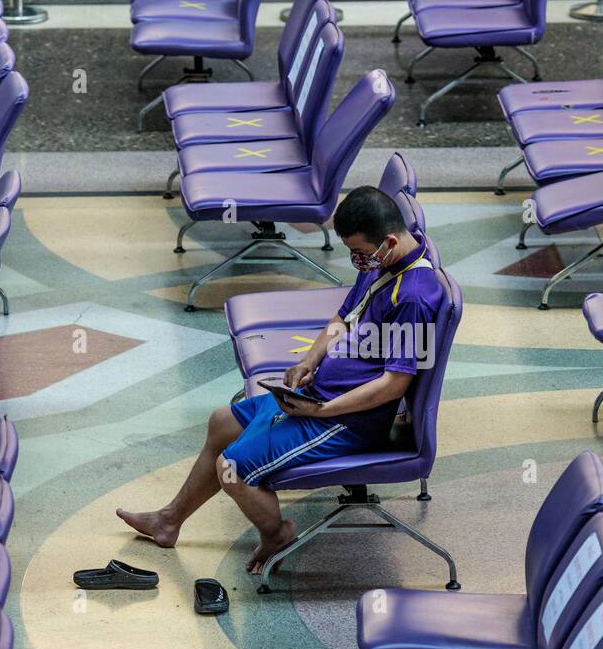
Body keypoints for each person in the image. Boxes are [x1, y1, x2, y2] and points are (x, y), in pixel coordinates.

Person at [117, 186, 443, 574]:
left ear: (389, 241)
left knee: (231, 470)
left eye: (360, 253)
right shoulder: (381, 264)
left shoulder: (414, 298)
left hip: (346, 422)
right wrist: (310, 360)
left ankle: (277, 533)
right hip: (320, 396)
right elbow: (343, 318)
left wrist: (322, 411)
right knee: (222, 422)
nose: (356, 261)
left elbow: (394, 385)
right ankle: (169, 520)